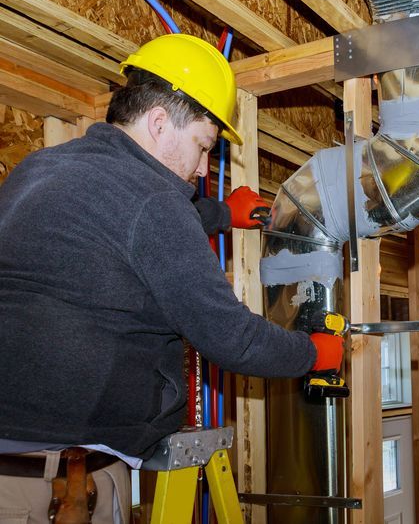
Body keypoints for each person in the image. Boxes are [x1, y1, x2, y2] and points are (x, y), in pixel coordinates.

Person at [0, 34, 343, 522]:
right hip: (62, 485)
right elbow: (232, 339)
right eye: (204, 147)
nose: (204, 168)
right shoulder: (155, 203)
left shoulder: (39, 168)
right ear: (159, 122)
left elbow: (121, 223)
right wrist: (312, 353)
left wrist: (222, 213)